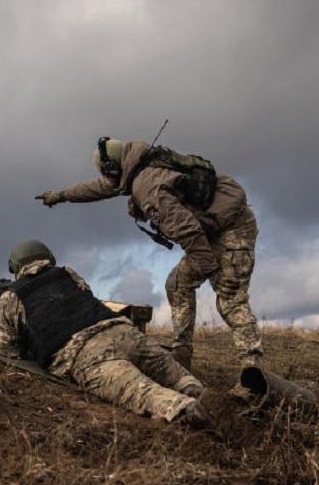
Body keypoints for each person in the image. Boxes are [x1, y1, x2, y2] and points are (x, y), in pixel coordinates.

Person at [35, 137, 262, 377]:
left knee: (229, 299)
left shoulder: (147, 187)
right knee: (177, 284)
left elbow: (186, 229)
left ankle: (254, 373)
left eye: (108, 173)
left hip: (233, 229)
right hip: (211, 230)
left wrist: (209, 267)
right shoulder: (138, 163)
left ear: (114, 167)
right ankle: (181, 355)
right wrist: (61, 195)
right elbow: (100, 187)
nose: (108, 179)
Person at [0, 239, 213, 426]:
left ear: (15, 266)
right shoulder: (67, 273)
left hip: (88, 355)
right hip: (123, 331)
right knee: (183, 380)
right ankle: (211, 401)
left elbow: (6, 349)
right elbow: (85, 295)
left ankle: (189, 410)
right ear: (48, 257)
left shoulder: (10, 298)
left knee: (149, 395)